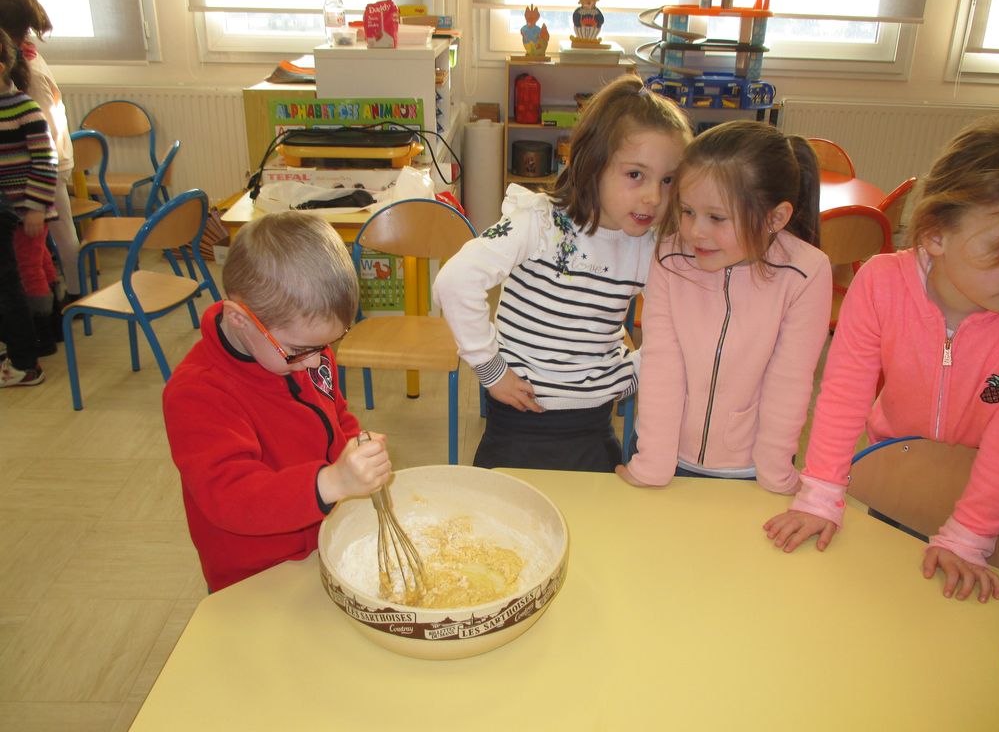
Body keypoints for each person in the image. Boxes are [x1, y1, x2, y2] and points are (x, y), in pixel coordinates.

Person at [764, 118, 999, 604]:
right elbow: (844, 395)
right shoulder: (882, 284)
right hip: (894, 475)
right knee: (881, 597)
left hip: (992, 505)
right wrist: (820, 496)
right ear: (936, 235)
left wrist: (970, 534)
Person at [433, 75, 691, 471]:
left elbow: (677, 326)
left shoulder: (648, 247)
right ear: (593, 164)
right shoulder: (539, 222)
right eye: (635, 175)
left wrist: (635, 371)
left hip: (592, 427)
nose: (654, 197)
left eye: (668, 180)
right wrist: (491, 370)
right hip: (517, 424)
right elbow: (455, 282)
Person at [162, 212, 393, 592]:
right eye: (300, 350)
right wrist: (331, 482)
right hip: (255, 573)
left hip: (321, 538)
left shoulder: (304, 350)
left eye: (327, 345)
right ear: (240, 319)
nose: (317, 362)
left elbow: (334, 413)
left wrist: (355, 447)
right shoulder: (197, 393)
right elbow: (231, 498)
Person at [616, 120, 831, 490]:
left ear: (775, 218)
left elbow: (789, 383)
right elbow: (662, 363)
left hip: (749, 468)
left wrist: (775, 475)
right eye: (687, 211)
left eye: (716, 217)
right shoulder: (670, 256)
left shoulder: (806, 272)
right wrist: (652, 464)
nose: (695, 232)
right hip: (664, 455)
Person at [0, 0, 81, 310]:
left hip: (47, 166)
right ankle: (58, 294)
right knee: (41, 245)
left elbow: (44, 131)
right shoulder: (24, 58)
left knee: (62, 235)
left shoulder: (29, 71)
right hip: (42, 164)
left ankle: (75, 297)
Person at [0, 26, 55, 386]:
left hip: (26, 211)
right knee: (37, 266)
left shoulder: (23, 107)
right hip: (12, 212)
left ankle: (41, 336)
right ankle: (48, 326)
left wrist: (35, 206)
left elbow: (45, 160)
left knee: (27, 271)